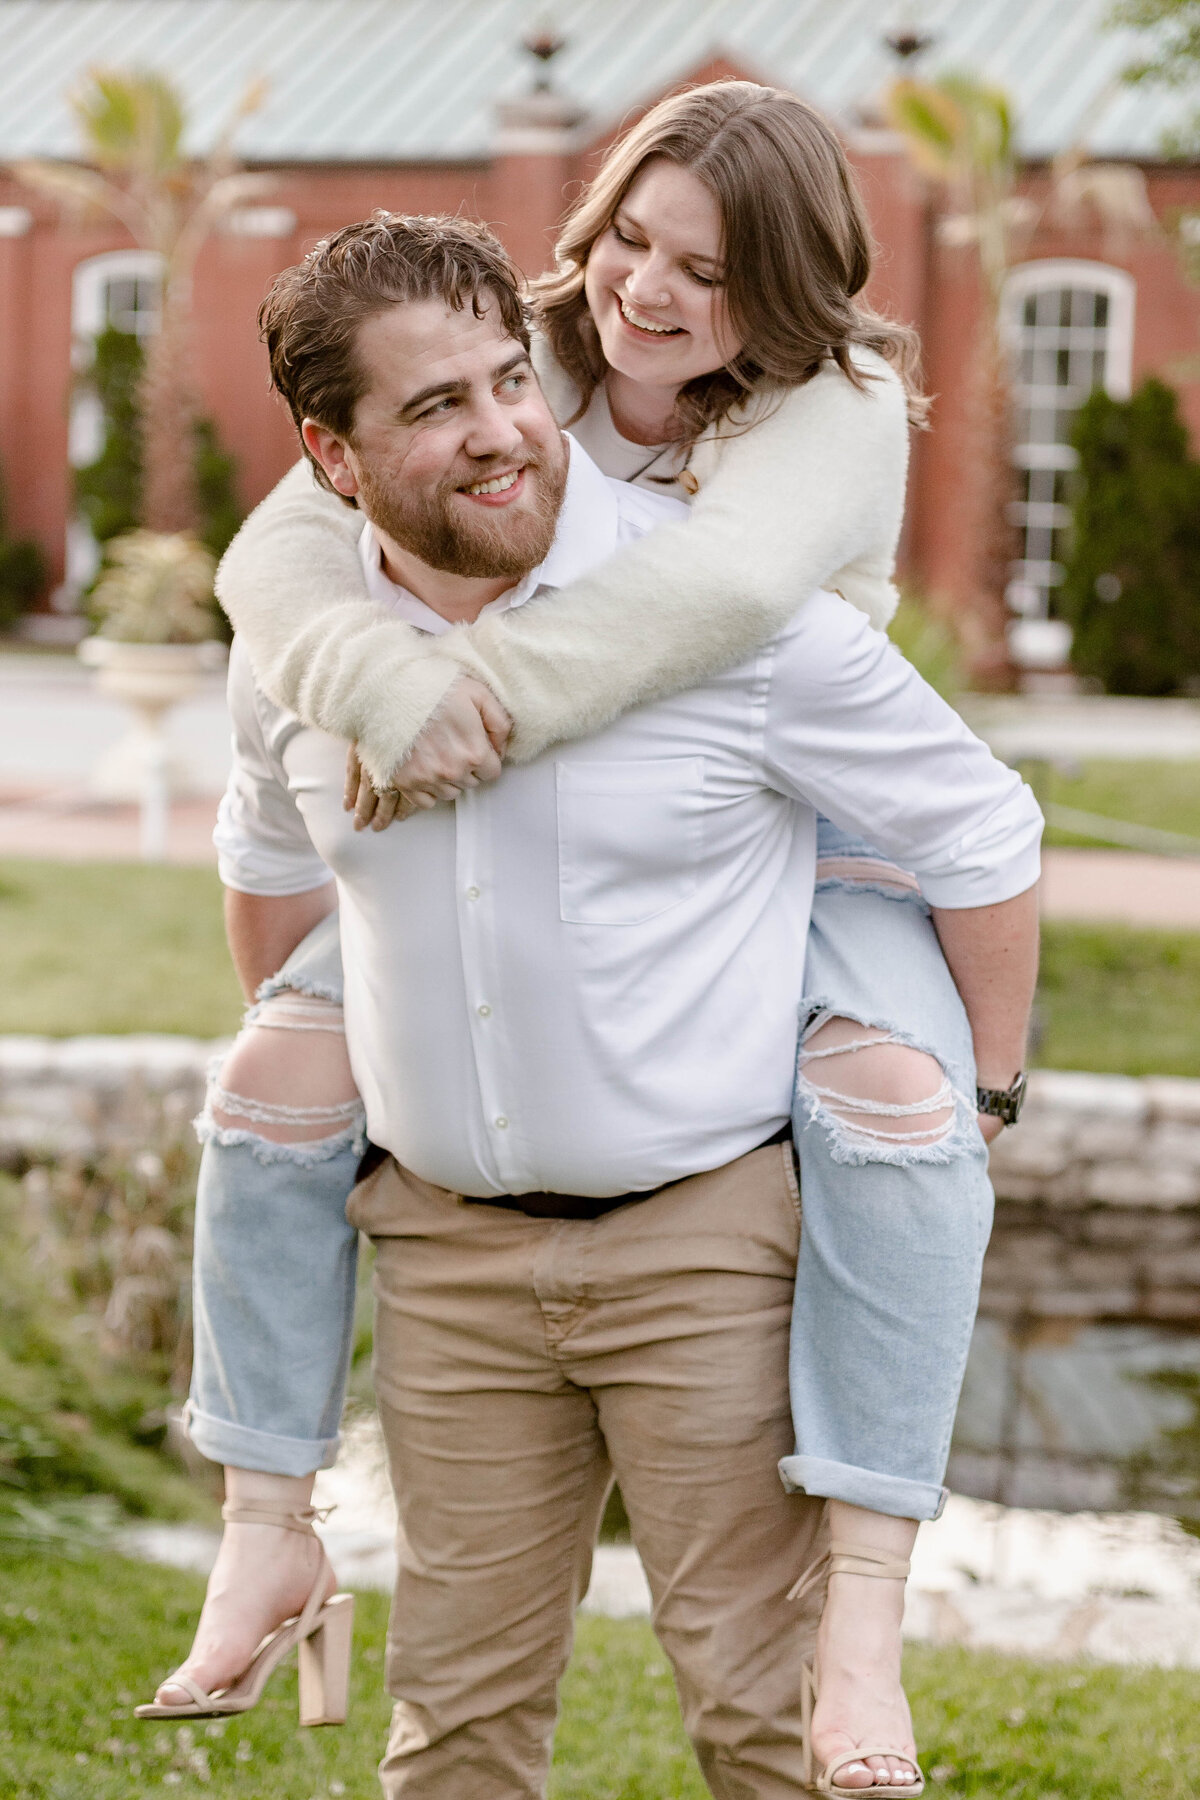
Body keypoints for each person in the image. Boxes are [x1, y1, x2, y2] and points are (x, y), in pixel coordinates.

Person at [150, 86, 1039, 1793]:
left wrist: (456, 699)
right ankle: (265, 1516)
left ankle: (867, 1622)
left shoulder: (828, 417)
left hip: (816, 872)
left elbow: (715, 610)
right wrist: (362, 687)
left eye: (704, 272)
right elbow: (274, 565)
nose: (646, 289)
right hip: (460, 1245)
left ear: (775, 297)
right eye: (629, 233)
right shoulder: (521, 338)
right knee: (273, 1065)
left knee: (899, 1117)